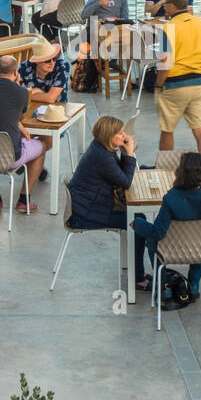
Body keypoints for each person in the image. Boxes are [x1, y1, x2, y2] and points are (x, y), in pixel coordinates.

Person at [133, 152, 201, 300]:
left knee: (151, 240)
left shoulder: (171, 198)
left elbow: (158, 233)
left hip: (171, 250)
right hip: (200, 251)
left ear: (180, 172)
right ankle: (193, 286)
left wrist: (138, 223)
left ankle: (164, 287)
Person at [67, 114, 148, 287]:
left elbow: (120, 175)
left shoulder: (101, 149)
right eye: (120, 133)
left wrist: (126, 154)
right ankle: (138, 279)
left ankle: (137, 271)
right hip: (85, 214)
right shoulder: (102, 157)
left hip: (88, 206)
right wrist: (130, 154)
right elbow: (125, 182)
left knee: (138, 217)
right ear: (108, 136)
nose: (125, 136)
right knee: (139, 222)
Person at [0, 54, 45, 213]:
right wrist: (17, 83)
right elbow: (18, 115)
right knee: (42, 147)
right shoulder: (21, 92)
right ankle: (23, 200)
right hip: (9, 158)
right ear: (15, 72)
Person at [155, 0, 201, 166]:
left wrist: (158, 85)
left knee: (167, 130)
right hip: (199, 83)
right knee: (199, 131)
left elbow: (165, 62)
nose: (164, 7)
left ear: (172, 6)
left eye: (165, 4)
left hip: (176, 86)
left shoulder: (168, 28)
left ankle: (164, 172)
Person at [18, 37, 69, 104]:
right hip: (32, 108)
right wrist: (44, 95)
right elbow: (14, 91)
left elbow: (50, 99)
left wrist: (29, 93)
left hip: (56, 110)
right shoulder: (25, 66)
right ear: (37, 61)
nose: (52, 63)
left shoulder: (62, 66)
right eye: (47, 60)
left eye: (54, 58)